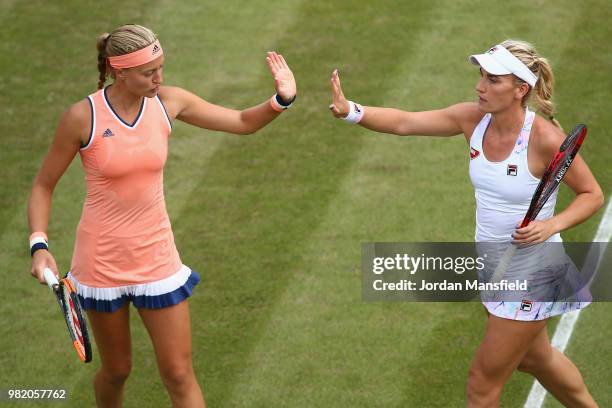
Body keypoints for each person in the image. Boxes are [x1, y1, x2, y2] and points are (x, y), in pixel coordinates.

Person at [28, 24, 296, 408]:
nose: (160, 78)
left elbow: (241, 122)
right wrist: (39, 245)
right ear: (120, 72)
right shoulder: (81, 117)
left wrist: (281, 100)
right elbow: (43, 185)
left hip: (157, 259)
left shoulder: (169, 102)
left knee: (179, 373)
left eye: (161, 67)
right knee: (117, 370)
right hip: (101, 263)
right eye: (149, 72)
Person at [329, 39, 603, 407]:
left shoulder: (544, 138)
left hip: (532, 271)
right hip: (492, 262)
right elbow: (406, 123)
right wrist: (351, 111)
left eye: (493, 80)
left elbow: (592, 195)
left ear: (520, 89)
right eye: (481, 76)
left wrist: (551, 226)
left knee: (481, 384)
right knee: (534, 358)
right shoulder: (472, 119)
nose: (480, 86)